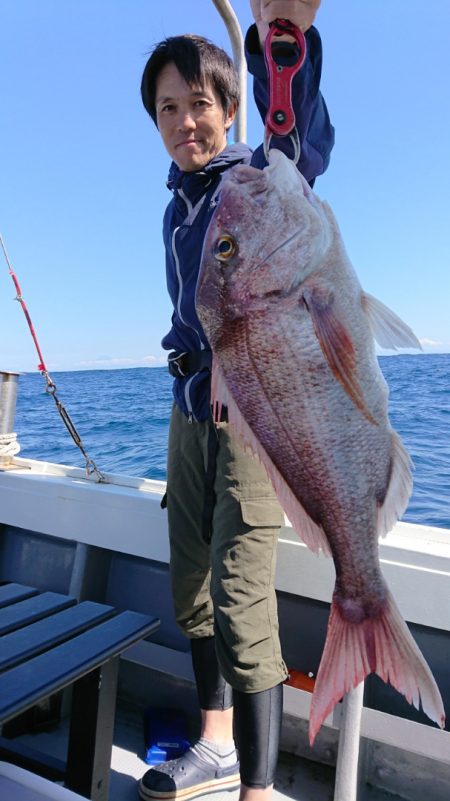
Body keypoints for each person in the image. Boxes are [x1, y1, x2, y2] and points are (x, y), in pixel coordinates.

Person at [138, 2, 334, 800]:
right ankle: (214, 742)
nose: (186, 122)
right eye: (168, 109)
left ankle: (257, 789)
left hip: (252, 410)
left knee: (240, 587)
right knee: (191, 579)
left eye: (199, 104)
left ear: (229, 108)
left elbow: (299, 142)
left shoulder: (254, 180)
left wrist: (283, 40)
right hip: (188, 405)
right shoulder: (174, 202)